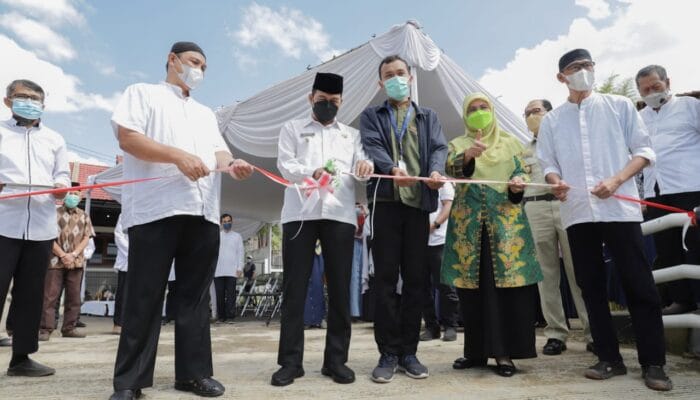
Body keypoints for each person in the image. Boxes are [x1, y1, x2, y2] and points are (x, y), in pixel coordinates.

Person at [108, 41, 254, 400]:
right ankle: (130, 382)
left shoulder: (206, 113)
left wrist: (232, 164)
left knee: (193, 299)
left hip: (203, 212)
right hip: (157, 210)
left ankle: (193, 374)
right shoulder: (142, 94)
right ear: (172, 60)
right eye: (193, 62)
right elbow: (128, 138)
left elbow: (219, 151)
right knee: (145, 297)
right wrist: (177, 156)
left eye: (204, 66)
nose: (198, 70)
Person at [537, 48, 671, 391]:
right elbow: (548, 164)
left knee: (639, 284)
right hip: (578, 214)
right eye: (574, 68)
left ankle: (654, 363)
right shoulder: (552, 121)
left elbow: (644, 151)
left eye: (587, 66)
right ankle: (609, 358)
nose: (583, 72)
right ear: (561, 77)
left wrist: (616, 180)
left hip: (619, 211)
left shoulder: (619, 106)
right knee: (590, 287)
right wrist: (555, 182)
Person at [273, 72, 373, 386]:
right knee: (295, 288)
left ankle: (336, 361)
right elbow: (284, 165)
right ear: (310, 98)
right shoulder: (292, 128)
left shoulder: (351, 135)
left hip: (339, 215)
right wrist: (310, 172)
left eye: (333, 101)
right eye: (321, 100)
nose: (327, 105)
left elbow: (362, 169)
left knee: (341, 289)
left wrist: (365, 168)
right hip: (299, 214)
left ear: (341, 102)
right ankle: (290, 363)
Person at [360, 55, 447, 383]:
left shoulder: (429, 117)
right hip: (385, 202)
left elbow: (439, 147)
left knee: (416, 279)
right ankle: (387, 352)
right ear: (381, 83)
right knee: (384, 280)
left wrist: (436, 170)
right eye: (388, 75)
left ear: (410, 77)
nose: (395, 78)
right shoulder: (372, 115)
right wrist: (392, 170)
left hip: (418, 205)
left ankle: (409, 351)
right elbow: (372, 147)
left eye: (400, 73)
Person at [442, 92, 542, 377]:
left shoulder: (511, 142)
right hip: (469, 229)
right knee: (473, 291)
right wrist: (468, 156)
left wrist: (517, 185)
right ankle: (475, 353)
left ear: (492, 110)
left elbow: (522, 174)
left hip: (506, 229)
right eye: (472, 109)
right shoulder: (458, 144)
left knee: (505, 292)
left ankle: (505, 353)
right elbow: (451, 169)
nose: (478, 112)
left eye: (483, 107)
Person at [0, 78, 71, 377]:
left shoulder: (55, 139)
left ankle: (21, 358)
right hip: (3, 223)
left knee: (31, 295)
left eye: (35, 98)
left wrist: (60, 188)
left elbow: (63, 174)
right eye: (23, 96)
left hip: (41, 227)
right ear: (8, 101)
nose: (29, 102)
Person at [522, 99, 593, 355]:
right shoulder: (523, 150)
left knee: (579, 271)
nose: (531, 116)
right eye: (527, 113)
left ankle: (593, 331)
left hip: (567, 205)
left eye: (536, 111)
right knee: (545, 274)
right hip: (535, 208)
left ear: (550, 113)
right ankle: (555, 333)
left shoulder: (566, 139)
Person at [636, 65, 700, 315]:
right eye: (645, 90)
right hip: (656, 192)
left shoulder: (691, 107)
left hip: (691, 186)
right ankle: (681, 300)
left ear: (667, 82)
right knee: (667, 249)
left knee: (695, 244)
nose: (651, 92)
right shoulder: (639, 119)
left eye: (656, 87)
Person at [39, 183, 94, 341]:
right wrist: (63, 255)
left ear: (81, 196)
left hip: (76, 261)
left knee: (74, 296)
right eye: (71, 193)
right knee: (50, 296)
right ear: (64, 195)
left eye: (77, 194)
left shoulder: (84, 215)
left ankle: (69, 327)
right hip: (55, 261)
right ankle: (45, 329)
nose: (73, 196)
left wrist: (74, 254)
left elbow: (86, 237)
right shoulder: (53, 213)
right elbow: (48, 237)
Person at [420, 182, 459, 342]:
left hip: (440, 240)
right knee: (422, 287)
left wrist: (435, 224)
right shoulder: (418, 177)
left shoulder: (442, 181)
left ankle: (450, 325)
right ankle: (431, 326)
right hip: (419, 241)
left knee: (446, 285)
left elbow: (448, 205)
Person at [213, 213, 245, 323]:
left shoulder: (237, 236)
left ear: (232, 222)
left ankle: (230, 317)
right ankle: (221, 317)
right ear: (221, 223)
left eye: (228, 221)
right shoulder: (217, 236)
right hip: (218, 271)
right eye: (224, 222)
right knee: (219, 295)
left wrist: (240, 267)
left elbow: (240, 253)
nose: (227, 223)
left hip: (232, 271)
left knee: (231, 295)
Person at [349, 203, 367, 319]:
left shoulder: (360, 209)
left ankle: (357, 310)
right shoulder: (357, 210)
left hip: (361, 241)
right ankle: (355, 310)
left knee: (359, 275)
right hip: (355, 242)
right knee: (355, 276)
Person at [113, 214, 128, 335]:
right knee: (123, 294)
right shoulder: (124, 214)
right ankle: (119, 324)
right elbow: (119, 236)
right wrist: (134, 252)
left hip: (145, 259)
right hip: (126, 261)